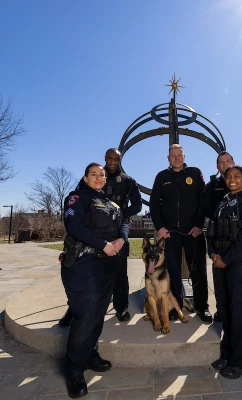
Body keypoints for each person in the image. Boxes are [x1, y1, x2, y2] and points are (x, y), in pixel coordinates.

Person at [61, 163, 129, 398]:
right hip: (83, 265)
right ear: (86, 177)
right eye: (94, 174)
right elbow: (74, 225)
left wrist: (121, 239)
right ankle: (73, 369)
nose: (99, 177)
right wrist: (103, 245)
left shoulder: (112, 203)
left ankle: (91, 354)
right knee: (86, 315)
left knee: (98, 313)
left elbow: (124, 222)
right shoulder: (77, 198)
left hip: (107, 265)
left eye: (102, 175)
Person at [58, 149, 141, 326]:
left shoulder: (129, 181)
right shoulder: (94, 175)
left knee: (119, 275)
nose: (112, 162)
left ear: (120, 160)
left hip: (116, 233)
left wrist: (116, 214)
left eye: (116, 159)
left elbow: (137, 206)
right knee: (82, 283)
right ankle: (73, 309)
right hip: (91, 233)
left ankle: (121, 307)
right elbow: (79, 200)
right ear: (105, 159)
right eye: (109, 159)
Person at [150, 144, 212, 323]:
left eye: (179, 155)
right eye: (173, 155)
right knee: (172, 272)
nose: (176, 158)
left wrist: (199, 225)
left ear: (184, 156)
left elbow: (203, 201)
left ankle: (202, 307)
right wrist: (160, 227)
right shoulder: (162, 177)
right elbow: (154, 204)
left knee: (198, 270)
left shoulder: (195, 173)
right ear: (168, 158)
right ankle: (175, 307)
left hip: (194, 232)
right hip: (170, 234)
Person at [207, 165, 242, 379]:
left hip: (239, 263)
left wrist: (226, 259)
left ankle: (241, 362)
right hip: (220, 263)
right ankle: (227, 355)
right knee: (225, 310)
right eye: (229, 176)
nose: (232, 179)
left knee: (239, 312)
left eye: (237, 176)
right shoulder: (222, 203)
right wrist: (213, 254)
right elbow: (210, 231)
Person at [204, 151, 242, 327]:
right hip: (219, 240)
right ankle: (222, 310)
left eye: (228, 160)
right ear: (217, 167)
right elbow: (207, 211)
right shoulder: (212, 186)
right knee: (222, 286)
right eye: (221, 162)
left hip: (239, 244)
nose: (225, 164)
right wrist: (212, 250)